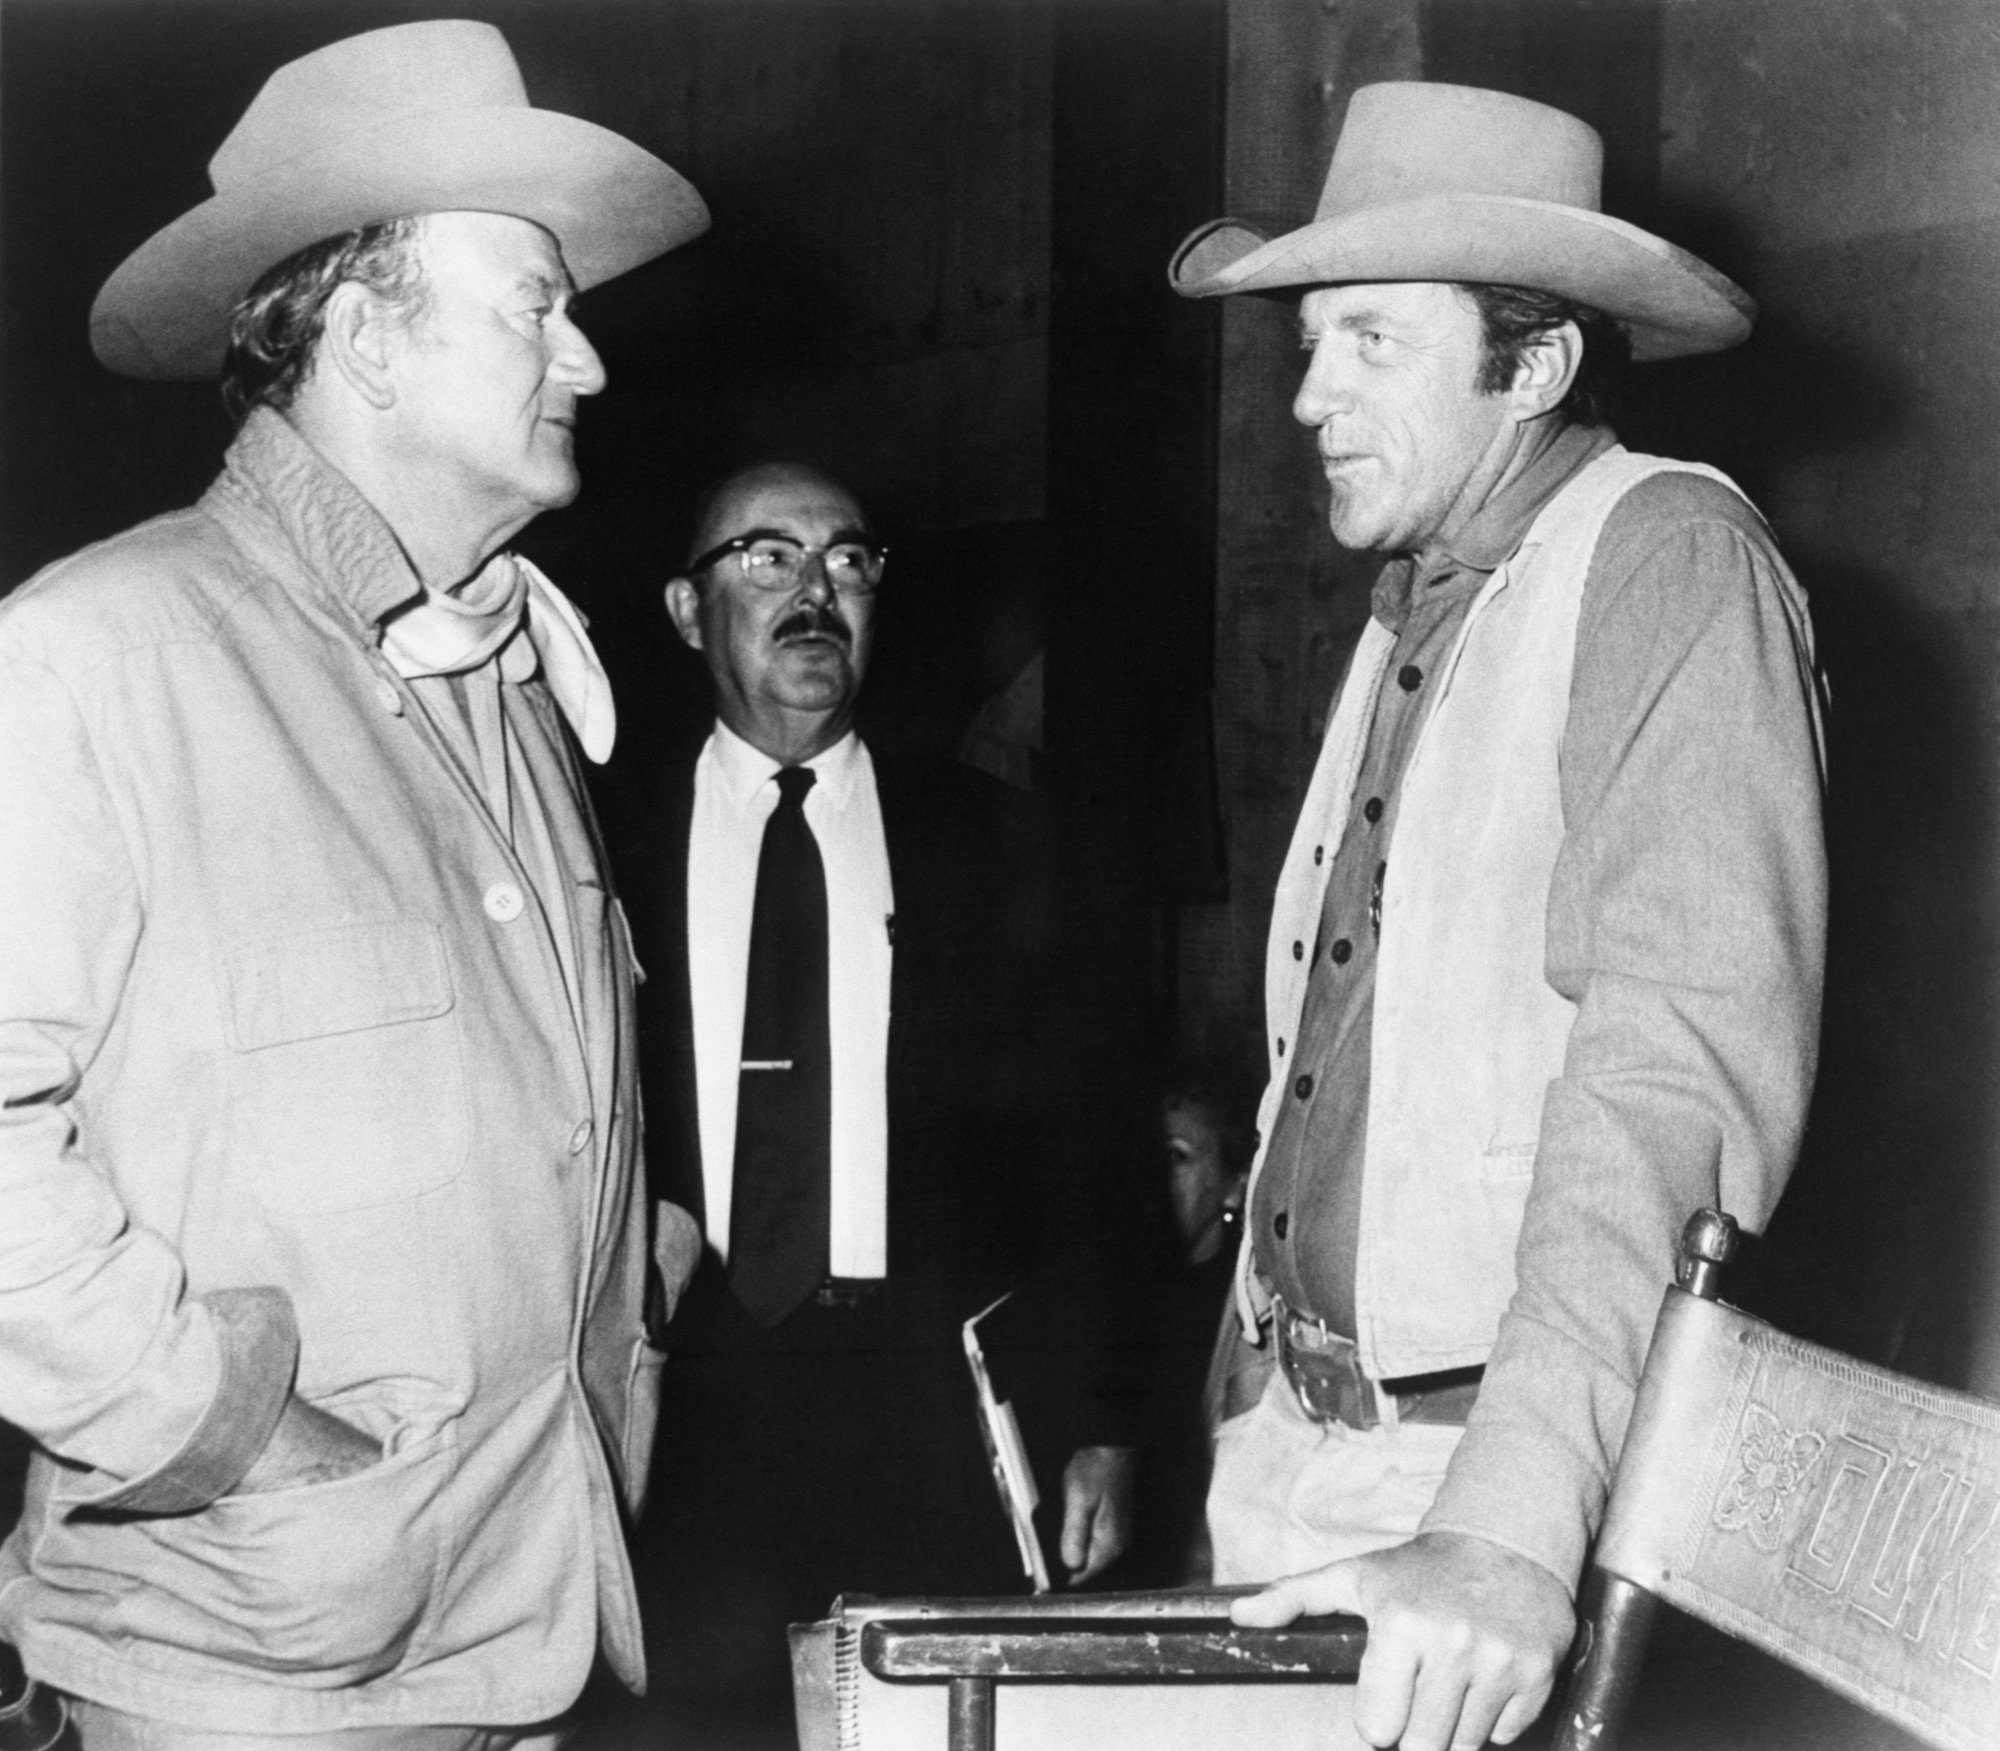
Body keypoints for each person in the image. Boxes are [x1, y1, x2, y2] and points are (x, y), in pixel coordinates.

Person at [0, 22, 706, 1748]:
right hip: (252, 1668)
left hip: (530, 1625)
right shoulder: (93, 657)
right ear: (368, 334)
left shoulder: (514, 682)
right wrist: (214, 1420)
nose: (588, 360)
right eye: (535, 300)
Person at [1167, 82, 1827, 1751]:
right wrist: (1245, 1411)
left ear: (1532, 365)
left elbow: (1671, 1077)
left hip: (1481, 1494)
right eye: (1311, 339)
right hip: (1306, 1467)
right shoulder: (1427, 601)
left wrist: (1511, 1529)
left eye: (1370, 339)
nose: (1307, 393)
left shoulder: (1669, 558)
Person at [614, 461, 1137, 1732]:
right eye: (768, 559)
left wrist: (1106, 1416)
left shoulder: (997, 844)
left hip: (920, 1400)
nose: (814, 592)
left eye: (847, 562)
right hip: (675, 1399)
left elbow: (1090, 1145)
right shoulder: (592, 843)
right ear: (688, 611)